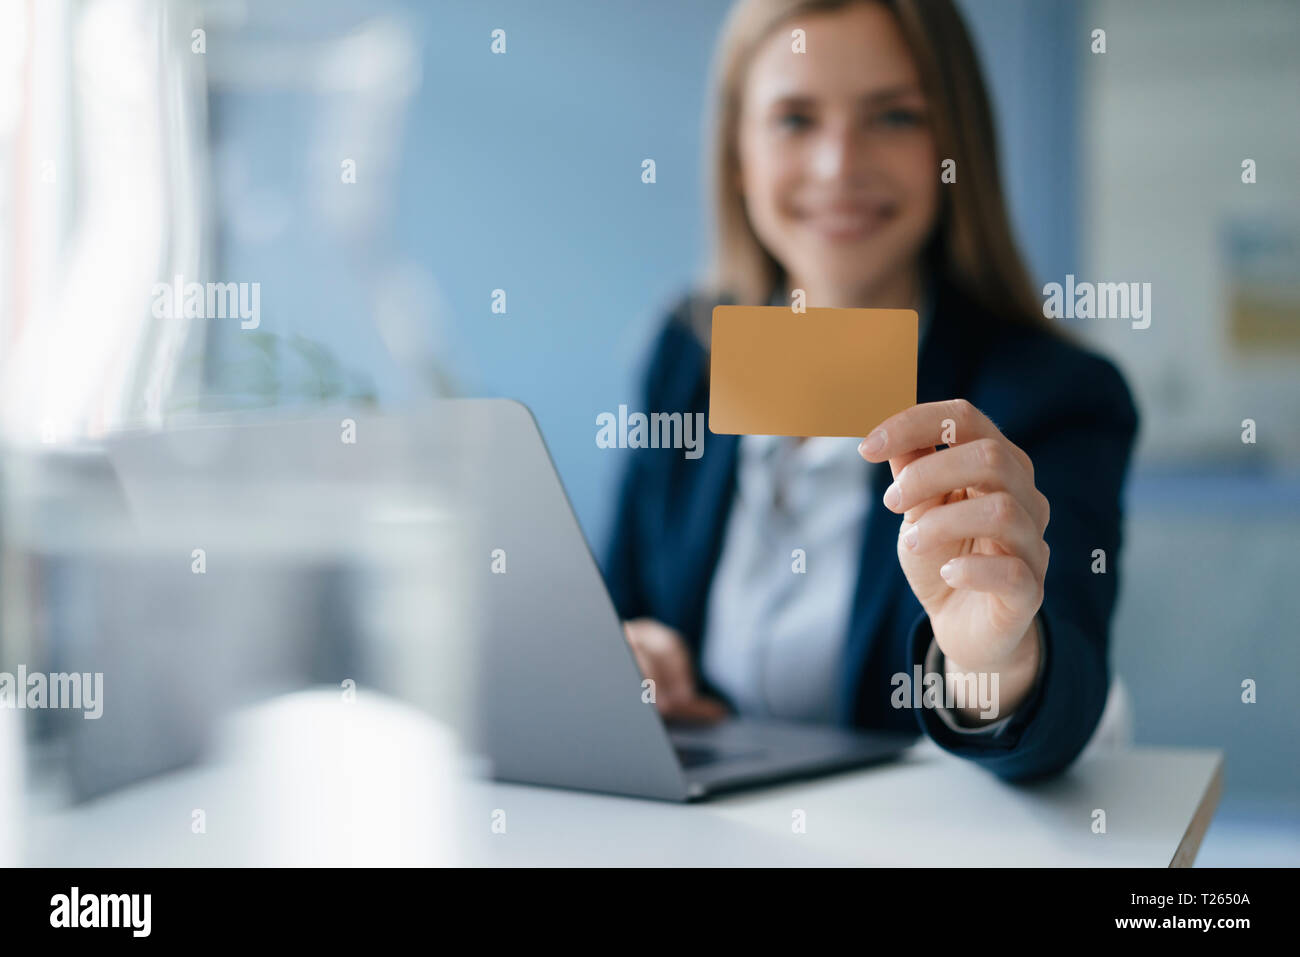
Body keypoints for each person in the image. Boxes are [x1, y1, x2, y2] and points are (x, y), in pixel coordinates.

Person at [602, 0, 1139, 781]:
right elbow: (620, 600)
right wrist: (630, 650)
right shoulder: (684, 359)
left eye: (894, 117)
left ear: (954, 145)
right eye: (794, 120)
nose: (838, 166)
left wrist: (992, 659)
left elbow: (1064, 693)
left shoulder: (1054, 395)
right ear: (737, 155)